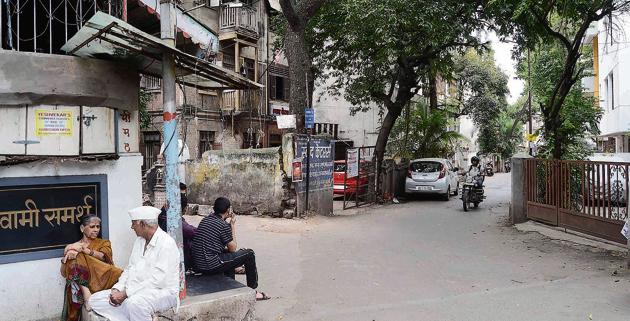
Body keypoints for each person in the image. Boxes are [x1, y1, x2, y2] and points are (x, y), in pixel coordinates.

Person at [89, 206, 180, 321]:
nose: (132, 227)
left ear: (142, 224)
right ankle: (142, 317)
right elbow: (129, 269)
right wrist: (117, 289)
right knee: (95, 300)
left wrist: (126, 293)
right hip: (135, 290)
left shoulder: (166, 244)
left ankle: (137, 313)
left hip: (163, 292)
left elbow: (157, 280)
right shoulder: (139, 241)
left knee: (135, 303)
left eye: (133, 224)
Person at [192, 197, 270, 301]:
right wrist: (232, 225)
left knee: (230, 256)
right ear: (228, 210)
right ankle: (253, 291)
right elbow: (233, 248)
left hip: (198, 264)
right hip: (210, 265)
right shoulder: (222, 225)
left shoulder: (205, 220)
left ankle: (230, 285)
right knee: (249, 254)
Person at [60, 215, 123, 321]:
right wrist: (67, 253)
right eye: (92, 226)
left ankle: (86, 293)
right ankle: (86, 293)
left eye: (98, 227)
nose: (96, 230)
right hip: (85, 280)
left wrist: (85, 250)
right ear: (82, 228)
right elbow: (63, 273)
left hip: (103, 278)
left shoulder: (104, 243)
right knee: (75, 256)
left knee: (78, 254)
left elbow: (104, 257)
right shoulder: (74, 246)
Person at [158, 189, 197, 270]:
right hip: (179, 263)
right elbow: (195, 233)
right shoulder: (176, 223)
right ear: (185, 208)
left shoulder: (163, 216)